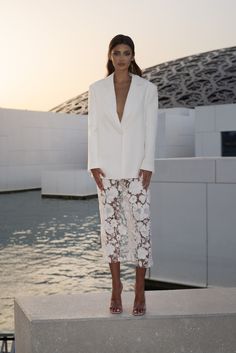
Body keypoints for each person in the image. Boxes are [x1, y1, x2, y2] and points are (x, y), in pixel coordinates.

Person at [87, 34, 158, 316]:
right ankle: (116, 288)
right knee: (111, 231)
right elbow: (92, 127)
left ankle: (139, 290)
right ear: (110, 55)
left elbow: (151, 128)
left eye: (126, 53)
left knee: (141, 230)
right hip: (106, 169)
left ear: (133, 56)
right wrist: (93, 163)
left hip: (137, 168)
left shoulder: (146, 89)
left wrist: (148, 163)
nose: (121, 58)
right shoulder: (96, 89)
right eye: (116, 53)